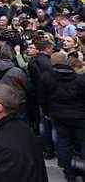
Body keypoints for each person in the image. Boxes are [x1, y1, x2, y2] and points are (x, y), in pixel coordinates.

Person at [37, 52, 85, 181]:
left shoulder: (46, 77)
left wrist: (47, 113)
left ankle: (68, 171)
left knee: (63, 142)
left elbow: (42, 99)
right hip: (79, 116)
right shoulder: (79, 78)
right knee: (82, 142)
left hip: (58, 116)